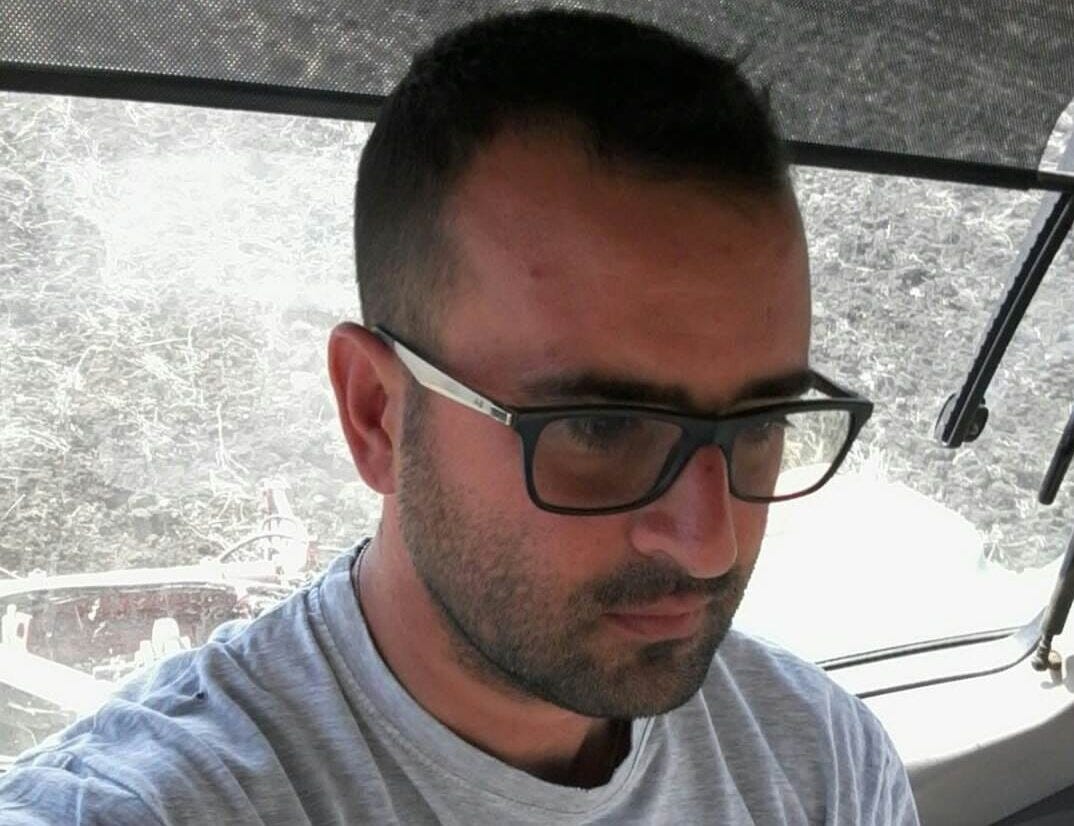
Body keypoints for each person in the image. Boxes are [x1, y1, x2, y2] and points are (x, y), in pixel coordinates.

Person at [0, 9, 919, 825]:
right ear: (376, 414)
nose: (710, 545)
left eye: (759, 426)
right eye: (601, 429)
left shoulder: (824, 762)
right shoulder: (157, 801)